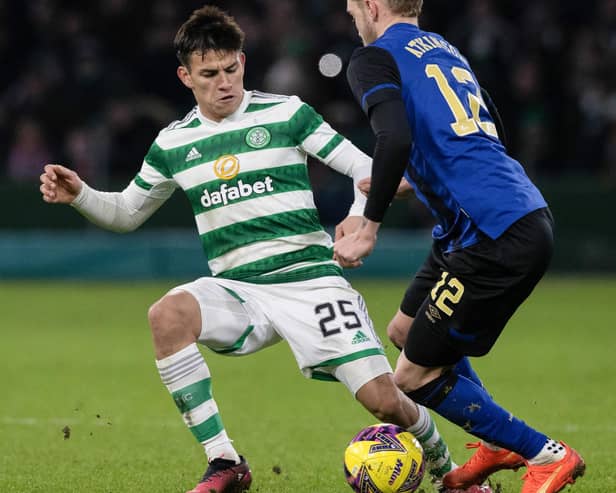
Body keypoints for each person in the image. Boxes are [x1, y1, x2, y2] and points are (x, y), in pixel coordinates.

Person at [39, 6, 488, 493]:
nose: (224, 82)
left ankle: (451, 473)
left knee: (385, 400)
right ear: (185, 76)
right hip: (239, 289)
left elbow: (369, 168)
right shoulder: (173, 143)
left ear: (243, 63)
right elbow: (126, 213)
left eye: (231, 68)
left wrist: (359, 215)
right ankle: (225, 462)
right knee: (166, 316)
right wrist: (81, 194)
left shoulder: (286, 113)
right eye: (209, 74)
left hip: (310, 281)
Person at [334, 1, 586, 493]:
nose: (354, 21)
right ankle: (497, 443)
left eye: (352, 12)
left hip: (493, 233)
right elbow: (484, 128)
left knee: (411, 378)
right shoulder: (447, 51)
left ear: (371, 6)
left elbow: (394, 137)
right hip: (490, 219)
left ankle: (544, 454)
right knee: (404, 331)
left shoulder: (372, 58)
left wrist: (370, 225)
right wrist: (418, 179)